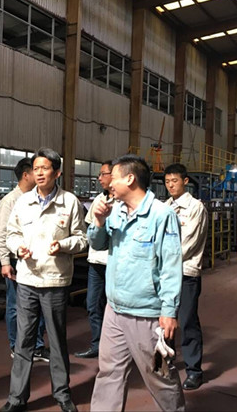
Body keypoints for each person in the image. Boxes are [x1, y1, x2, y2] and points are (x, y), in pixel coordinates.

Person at [89, 155, 185, 412]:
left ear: (130, 178)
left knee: (159, 375)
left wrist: (169, 310)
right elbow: (97, 244)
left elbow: (171, 265)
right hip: (114, 311)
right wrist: (98, 221)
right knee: (108, 373)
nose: (109, 183)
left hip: (147, 315)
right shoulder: (115, 211)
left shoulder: (162, 215)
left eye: (114, 177)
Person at [0, 148, 87, 412]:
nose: (39, 173)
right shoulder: (23, 201)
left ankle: (62, 394)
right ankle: (16, 398)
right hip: (27, 280)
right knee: (24, 341)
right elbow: (11, 234)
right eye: (36, 168)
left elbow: (82, 239)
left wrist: (63, 245)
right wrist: (18, 249)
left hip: (55, 281)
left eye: (44, 168)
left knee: (57, 340)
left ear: (56, 172)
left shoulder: (69, 202)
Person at [0, 158, 49, 362]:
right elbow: (3, 234)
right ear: (26, 175)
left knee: (37, 306)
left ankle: (36, 346)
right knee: (15, 306)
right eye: (36, 170)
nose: (40, 174)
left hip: (37, 261)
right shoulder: (10, 201)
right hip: (15, 261)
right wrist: (5, 262)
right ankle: (15, 346)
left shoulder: (39, 198)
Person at [164, 163, 208, 390]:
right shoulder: (164, 207)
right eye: (167, 181)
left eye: (175, 181)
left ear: (185, 181)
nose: (171, 185)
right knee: (165, 320)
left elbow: (188, 244)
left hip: (186, 273)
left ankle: (194, 371)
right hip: (165, 274)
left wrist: (160, 259)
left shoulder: (195, 208)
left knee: (188, 321)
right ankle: (166, 362)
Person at [74, 160, 114, 359]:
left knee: (115, 308)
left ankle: (116, 349)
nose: (99, 178)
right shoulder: (99, 199)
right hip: (96, 264)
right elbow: (90, 229)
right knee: (93, 305)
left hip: (114, 265)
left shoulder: (124, 203)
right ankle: (97, 345)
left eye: (103, 174)